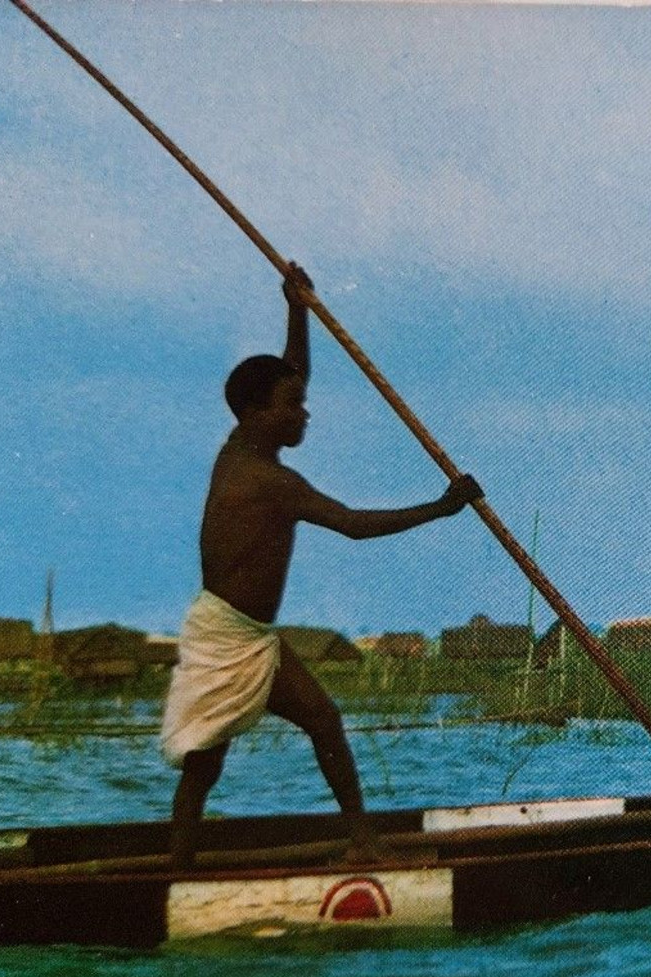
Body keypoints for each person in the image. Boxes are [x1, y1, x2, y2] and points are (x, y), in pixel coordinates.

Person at [160, 264, 482, 867]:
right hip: (225, 638)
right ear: (258, 412)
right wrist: (441, 508)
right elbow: (355, 526)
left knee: (317, 722)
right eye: (294, 405)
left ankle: (359, 842)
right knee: (208, 759)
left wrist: (298, 308)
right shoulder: (265, 480)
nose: (305, 412)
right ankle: (176, 875)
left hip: (249, 635)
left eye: (302, 402)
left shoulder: (249, 446)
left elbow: (291, 372)